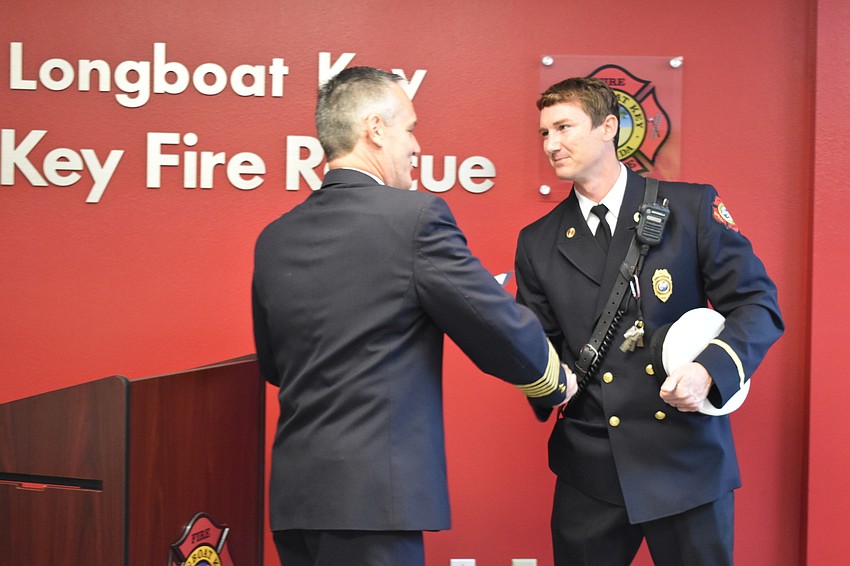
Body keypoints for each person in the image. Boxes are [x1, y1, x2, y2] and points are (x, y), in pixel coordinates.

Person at [252, 66, 572, 566]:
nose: (417, 145)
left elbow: (273, 365)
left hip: (296, 499)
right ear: (376, 129)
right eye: (410, 127)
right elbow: (491, 323)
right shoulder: (414, 219)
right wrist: (551, 381)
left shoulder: (274, 237)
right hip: (373, 503)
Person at [515, 77, 784, 566]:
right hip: (591, 469)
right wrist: (546, 376)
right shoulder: (537, 241)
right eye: (544, 134)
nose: (551, 144)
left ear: (608, 128)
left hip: (685, 460)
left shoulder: (690, 208)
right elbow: (540, 345)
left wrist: (709, 371)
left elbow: (756, 304)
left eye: (563, 127)